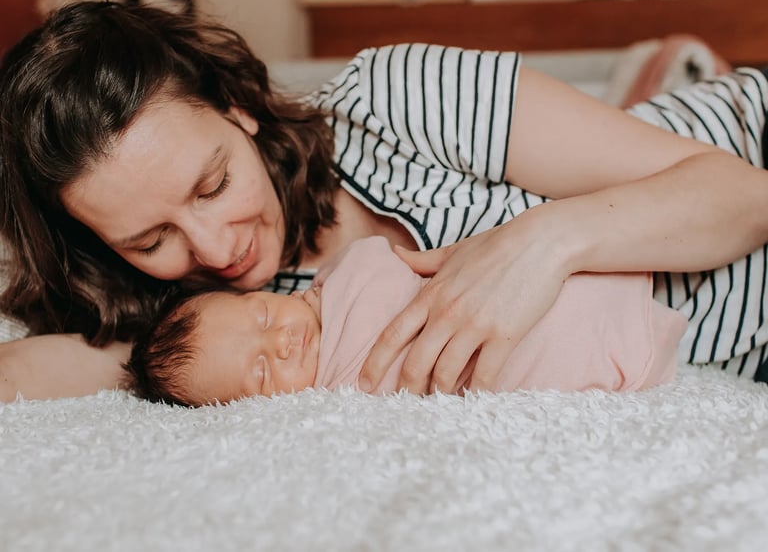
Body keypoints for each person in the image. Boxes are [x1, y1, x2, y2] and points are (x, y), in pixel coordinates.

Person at [1, 0, 767, 402]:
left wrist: (541, 244)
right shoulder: (233, 328)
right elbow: (40, 369)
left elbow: (744, 195)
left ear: (237, 109)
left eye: (213, 184)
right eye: (149, 239)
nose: (215, 248)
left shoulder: (392, 100)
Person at [125, 237, 685, 407]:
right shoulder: (337, 397)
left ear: (266, 292)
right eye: (263, 372)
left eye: (264, 316)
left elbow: (408, 263)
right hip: (552, 362)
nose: (283, 341)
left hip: (555, 282)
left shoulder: (341, 271)